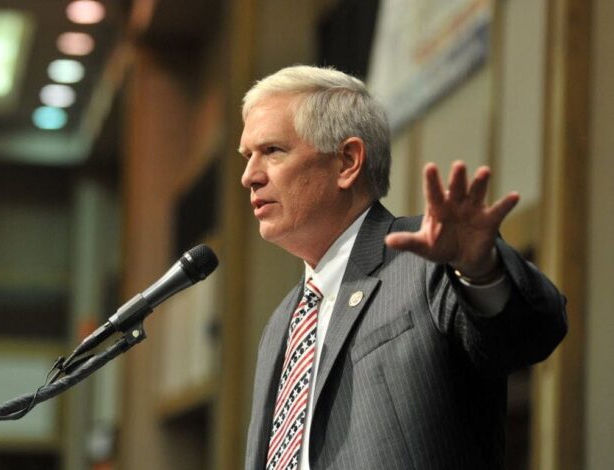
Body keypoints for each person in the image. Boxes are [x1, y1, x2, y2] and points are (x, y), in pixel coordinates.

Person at [239, 65, 567, 470]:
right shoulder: (280, 325)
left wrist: (480, 271)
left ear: (347, 162)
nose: (249, 176)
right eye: (247, 156)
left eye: (271, 151)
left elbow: (529, 337)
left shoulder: (427, 263)